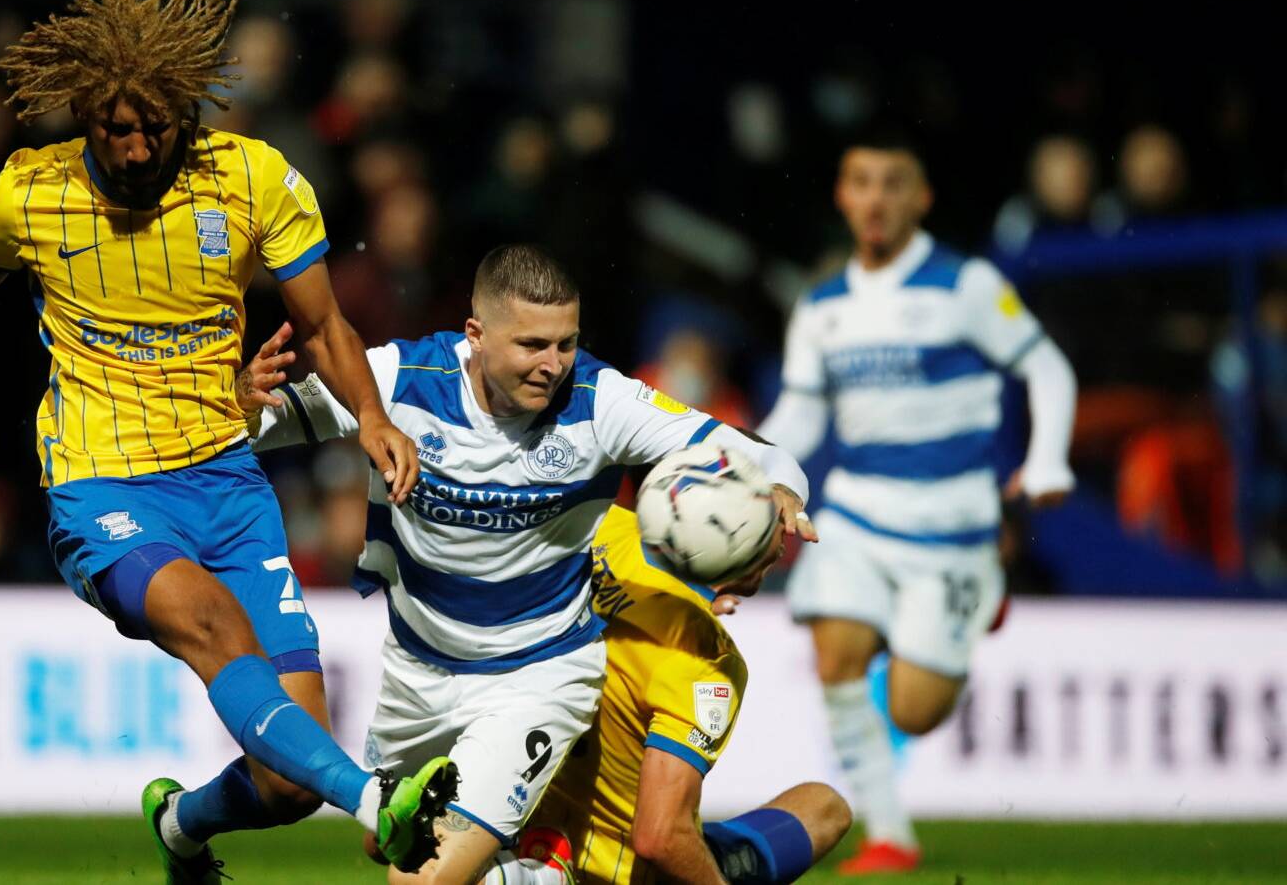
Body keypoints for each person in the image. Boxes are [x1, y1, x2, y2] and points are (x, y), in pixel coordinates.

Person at [0, 0, 456, 881]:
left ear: (186, 112)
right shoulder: (32, 192)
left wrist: (373, 418)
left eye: (155, 127)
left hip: (229, 487)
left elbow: (322, 325)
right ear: (83, 114)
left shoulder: (252, 180)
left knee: (287, 782)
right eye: (114, 128)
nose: (134, 147)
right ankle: (375, 800)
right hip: (102, 487)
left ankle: (181, 825)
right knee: (215, 623)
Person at [244, 243, 817, 885]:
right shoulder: (398, 379)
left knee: (429, 879)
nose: (553, 365)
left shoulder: (601, 402)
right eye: (532, 345)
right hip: (418, 671)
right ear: (476, 335)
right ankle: (543, 874)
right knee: (390, 851)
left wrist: (782, 491)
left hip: (538, 673)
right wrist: (242, 399)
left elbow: (763, 455)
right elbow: (253, 429)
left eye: (565, 344)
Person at [758, 131, 1078, 874]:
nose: (875, 198)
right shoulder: (821, 305)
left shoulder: (965, 285)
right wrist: (742, 455)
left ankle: (984, 590)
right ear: (842, 196)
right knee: (836, 655)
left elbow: (1048, 368)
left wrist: (1047, 459)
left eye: (892, 182)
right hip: (858, 514)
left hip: (953, 527)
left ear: (921, 197)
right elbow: (801, 415)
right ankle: (890, 836)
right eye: (861, 182)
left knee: (914, 710)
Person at [485, 504, 851, 885]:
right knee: (822, 808)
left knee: (827, 805)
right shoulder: (705, 659)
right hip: (616, 870)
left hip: (505, 813)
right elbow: (660, 837)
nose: (785, 533)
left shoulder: (608, 527)